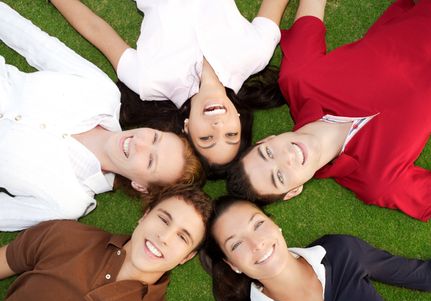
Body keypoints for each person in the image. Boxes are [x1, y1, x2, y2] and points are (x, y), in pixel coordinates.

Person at [0, 2, 202, 232]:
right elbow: (38, 44)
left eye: (150, 161)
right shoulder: (102, 92)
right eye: (155, 138)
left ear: (141, 186)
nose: (141, 144)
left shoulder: (69, 202)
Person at [227, 0, 431, 221]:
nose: (286, 157)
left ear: (268, 139)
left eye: (268, 153)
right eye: (279, 176)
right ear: (294, 191)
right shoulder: (379, 182)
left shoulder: (299, 78)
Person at [49, 0, 289, 172]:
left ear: (186, 128)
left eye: (206, 138)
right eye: (230, 134)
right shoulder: (256, 54)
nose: (217, 125)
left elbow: (95, 28)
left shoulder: (147, 81)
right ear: (239, 118)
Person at [200, 197, 431, 301]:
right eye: (236, 244)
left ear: (275, 224)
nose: (256, 243)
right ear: (233, 265)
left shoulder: (340, 253)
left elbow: (418, 274)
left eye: (258, 225)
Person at [0, 184, 212, 301]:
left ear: (187, 257)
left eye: (182, 237)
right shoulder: (65, 235)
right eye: (164, 220)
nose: (164, 237)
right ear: (145, 216)